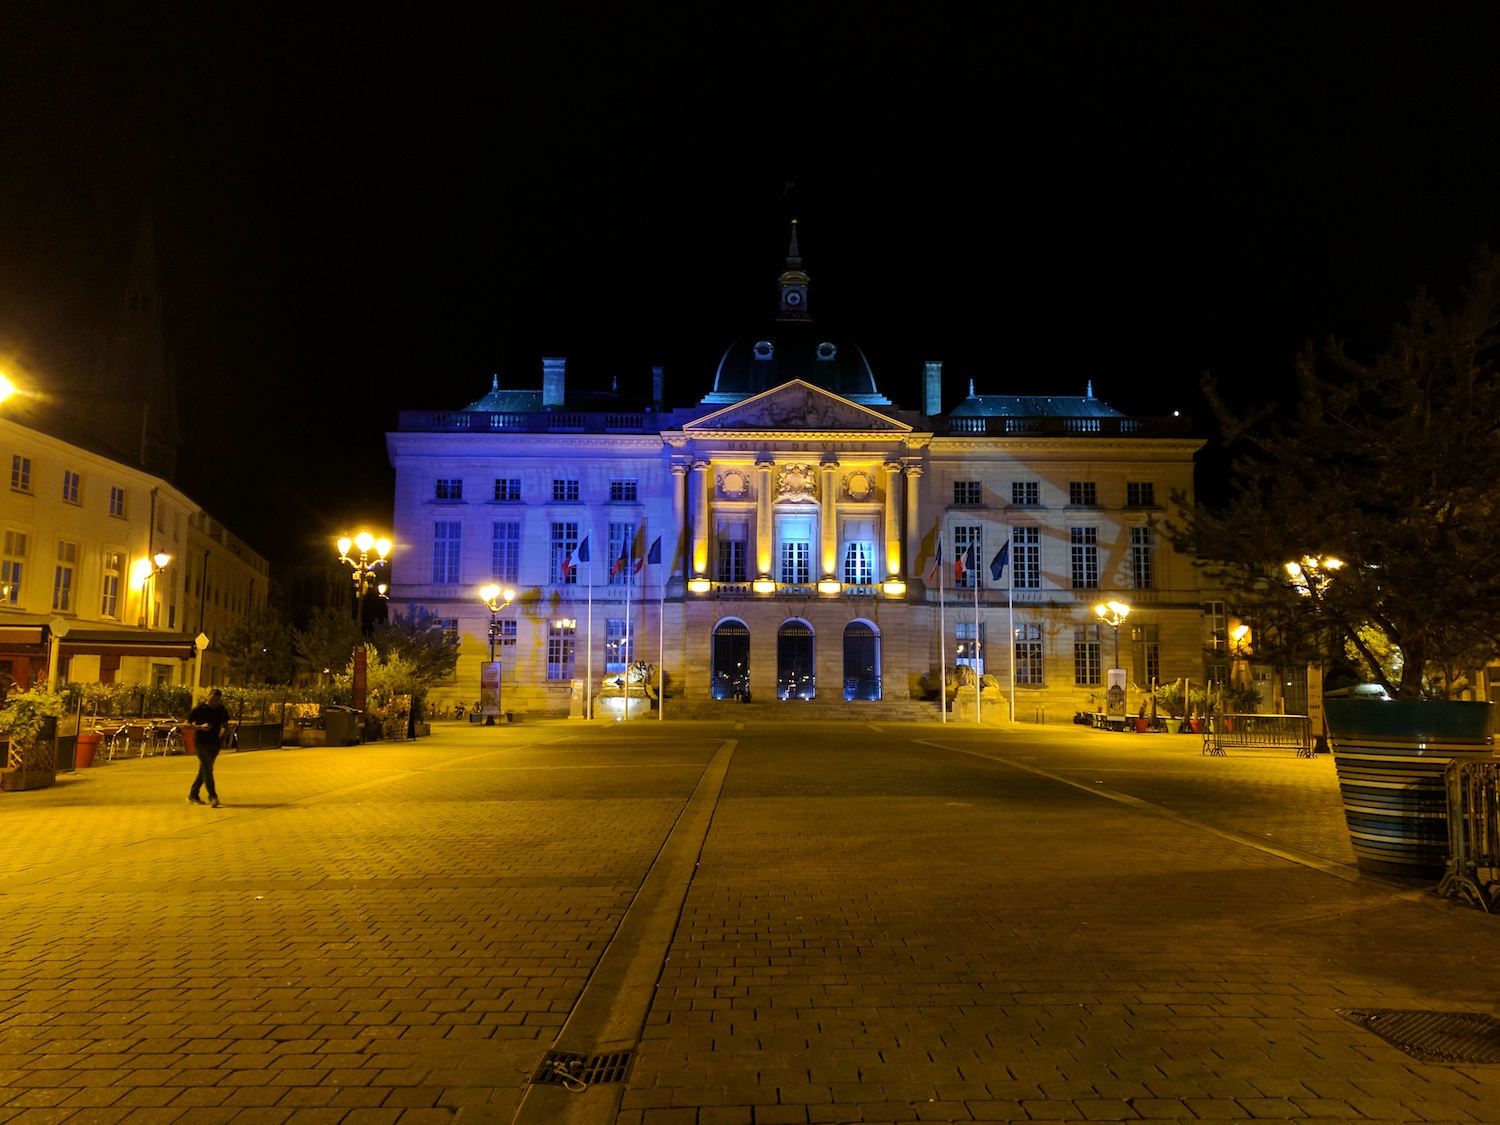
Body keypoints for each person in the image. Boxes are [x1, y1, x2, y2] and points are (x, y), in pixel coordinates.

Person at [187, 688, 231, 808]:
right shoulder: (199, 709)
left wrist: (222, 738)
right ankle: (212, 795)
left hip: (214, 743)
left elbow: (225, 725)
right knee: (207, 768)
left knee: (204, 769)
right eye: (212, 699)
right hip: (200, 742)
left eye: (217, 700)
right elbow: (186, 724)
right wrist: (200, 727)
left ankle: (193, 793)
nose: (214, 702)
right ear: (207, 697)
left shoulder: (221, 710)